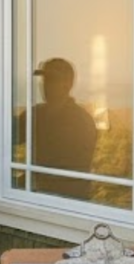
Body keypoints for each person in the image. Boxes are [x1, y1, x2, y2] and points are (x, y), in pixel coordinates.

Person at [17, 58, 97, 200]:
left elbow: (70, 169)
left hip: (66, 201)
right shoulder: (36, 114)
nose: (46, 85)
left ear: (67, 85)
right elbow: (9, 137)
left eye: (52, 80)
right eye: (45, 80)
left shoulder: (81, 121)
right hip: (40, 195)